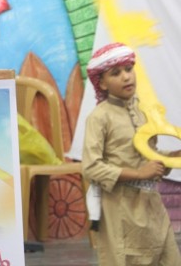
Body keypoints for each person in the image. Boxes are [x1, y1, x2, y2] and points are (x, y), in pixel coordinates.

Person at [82, 42, 181, 266]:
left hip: (151, 202)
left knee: (168, 256)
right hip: (120, 206)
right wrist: (139, 174)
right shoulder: (99, 117)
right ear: (102, 83)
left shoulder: (142, 110)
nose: (126, 77)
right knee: (128, 258)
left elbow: (149, 157)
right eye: (115, 73)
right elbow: (91, 167)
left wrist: (172, 156)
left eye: (128, 69)